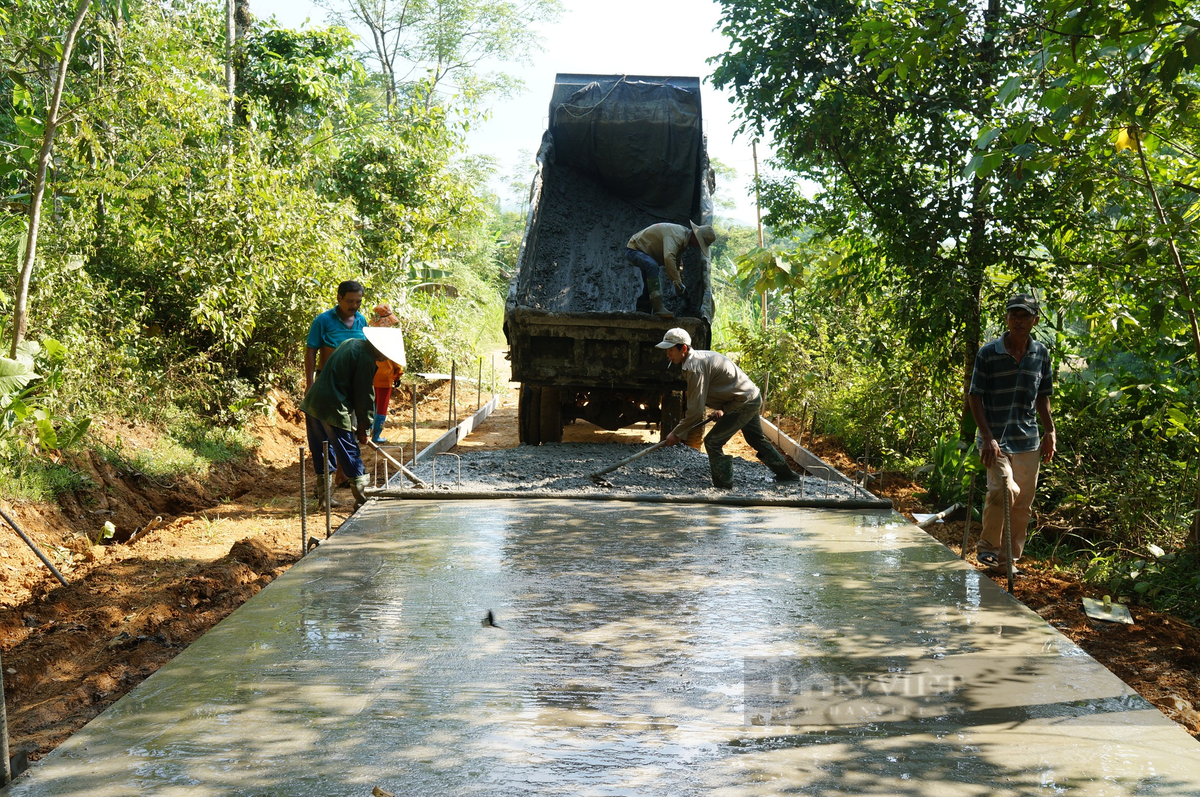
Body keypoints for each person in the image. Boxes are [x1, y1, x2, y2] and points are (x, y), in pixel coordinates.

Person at [967, 293, 1056, 573]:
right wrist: (987, 437)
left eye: (1025, 316)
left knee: (1022, 506)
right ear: (1006, 318)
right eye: (1013, 315)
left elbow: (1043, 397)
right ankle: (987, 548)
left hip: (1028, 439)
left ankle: (1008, 561)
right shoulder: (989, 353)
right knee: (1005, 488)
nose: (1018, 320)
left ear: (1035, 320)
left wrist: (1050, 431)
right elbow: (974, 397)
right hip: (994, 439)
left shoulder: (1040, 354)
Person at [656, 327, 798, 488]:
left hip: (744, 402)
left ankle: (723, 485)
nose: (668, 354)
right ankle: (788, 476)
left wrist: (677, 432)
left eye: (670, 350)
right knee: (755, 439)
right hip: (748, 398)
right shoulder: (695, 361)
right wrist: (722, 409)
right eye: (666, 350)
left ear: (683, 348)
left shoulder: (694, 367)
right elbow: (720, 388)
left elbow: (695, 411)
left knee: (712, 442)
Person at [300, 327, 407, 509]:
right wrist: (365, 428)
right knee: (350, 452)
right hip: (333, 408)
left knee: (323, 451)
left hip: (313, 403)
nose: (386, 359)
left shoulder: (351, 343)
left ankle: (324, 500)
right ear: (379, 348)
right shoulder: (365, 359)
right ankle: (363, 500)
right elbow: (364, 396)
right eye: (386, 355)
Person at [626, 221, 716, 318]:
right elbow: (669, 257)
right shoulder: (677, 235)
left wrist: (680, 282)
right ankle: (658, 308)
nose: (698, 246)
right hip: (635, 250)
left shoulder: (684, 238)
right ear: (696, 237)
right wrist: (676, 281)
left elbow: (677, 262)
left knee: (649, 285)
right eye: (700, 244)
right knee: (652, 267)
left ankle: (642, 313)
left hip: (646, 254)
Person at [304, 280, 369, 390]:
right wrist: (309, 384)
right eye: (350, 301)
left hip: (355, 382)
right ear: (339, 298)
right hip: (328, 381)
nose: (354, 306)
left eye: (358, 302)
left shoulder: (361, 321)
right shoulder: (323, 320)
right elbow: (311, 351)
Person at [368, 304, 405, 444]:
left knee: (371, 404)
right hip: (385, 376)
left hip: (370, 375)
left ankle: (367, 431)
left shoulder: (369, 335)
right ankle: (376, 435)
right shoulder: (390, 336)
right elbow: (395, 358)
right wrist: (398, 374)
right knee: (382, 406)